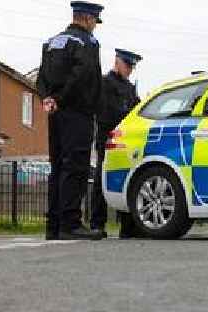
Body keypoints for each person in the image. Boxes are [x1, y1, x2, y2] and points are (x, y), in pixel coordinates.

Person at [37, 1, 104, 241]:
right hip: (77, 112)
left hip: (55, 113)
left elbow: (41, 75)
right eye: (95, 21)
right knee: (75, 165)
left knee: (57, 166)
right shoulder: (87, 42)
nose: (95, 26)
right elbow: (83, 75)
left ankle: (53, 226)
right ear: (87, 18)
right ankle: (70, 223)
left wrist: (48, 98)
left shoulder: (52, 41)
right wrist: (61, 98)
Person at [91, 48, 143, 239]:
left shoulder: (129, 88)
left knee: (126, 178)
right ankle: (97, 223)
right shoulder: (105, 83)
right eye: (127, 65)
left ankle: (128, 226)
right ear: (117, 62)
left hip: (126, 139)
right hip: (108, 137)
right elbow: (106, 113)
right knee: (101, 180)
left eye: (132, 67)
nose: (130, 70)